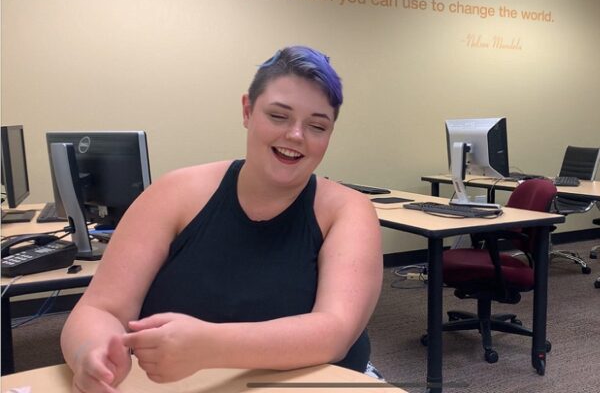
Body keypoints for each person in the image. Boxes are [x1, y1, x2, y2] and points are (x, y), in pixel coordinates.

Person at [61, 45, 383, 392]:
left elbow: (334, 332)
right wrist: (89, 354)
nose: (295, 136)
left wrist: (208, 346)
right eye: (278, 116)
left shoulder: (347, 211)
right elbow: (101, 309)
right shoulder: (175, 193)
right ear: (247, 110)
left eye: (317, 126)